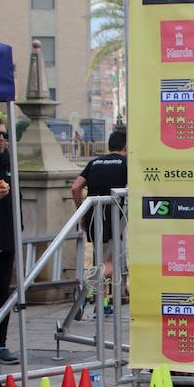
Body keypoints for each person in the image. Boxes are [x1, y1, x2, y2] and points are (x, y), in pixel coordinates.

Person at [71, 130, 127, 306]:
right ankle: (88, 285)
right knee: (112, 262)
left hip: (93, 216)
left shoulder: (94, 162)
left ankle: (102, 305)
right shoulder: (125, 163)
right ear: (126, 146)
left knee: (100, 259)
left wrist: (81, 212)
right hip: (114, 218)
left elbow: (75, 188)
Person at [0, 117, 18, 365]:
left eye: (4, 135)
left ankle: (0, 343)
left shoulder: (9, 162)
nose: (1, 140)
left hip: (7, 236)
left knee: (2, 290)